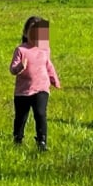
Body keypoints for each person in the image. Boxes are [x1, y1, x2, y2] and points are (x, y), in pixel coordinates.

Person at [9, 16, 61, 152]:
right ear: (26, 33)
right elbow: (12, 69)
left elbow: (48, 64)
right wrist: (20, 66)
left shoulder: (45, 49)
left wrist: (54, 78)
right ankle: (18, 138)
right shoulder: (21, 50)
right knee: (21, 117)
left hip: (41, 88)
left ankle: (42, 141)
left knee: (40, 113)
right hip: (23, 91)